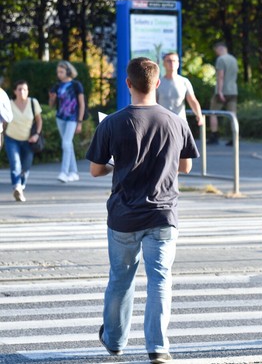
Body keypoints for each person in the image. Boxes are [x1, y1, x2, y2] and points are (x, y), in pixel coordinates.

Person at [87, 57, 199, 364]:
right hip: (163, 214)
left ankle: (114, 341)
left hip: (124, 215)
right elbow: (186, 165)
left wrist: (120, 163)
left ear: (128, 84)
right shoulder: (176, 122)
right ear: (158, 83)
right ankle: (158, 348)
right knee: (160, 280)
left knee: (120, 280)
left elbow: (96, 170)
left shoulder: (112, 122)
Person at [4, 81, 43, 202]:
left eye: (25, 89)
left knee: (26, 166)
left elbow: (39, 121)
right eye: (19, 89)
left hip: (28, 140)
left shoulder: (33, 102)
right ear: (15, 91)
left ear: (28, 91)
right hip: (11, 138)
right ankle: (17, 187)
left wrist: (36, 134)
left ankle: (21, 185)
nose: (22, 92)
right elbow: (4, 122)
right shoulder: (9, 104)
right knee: (15, 164)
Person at [49, 60, 86, 183]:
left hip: (72, 118)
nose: (59, 74)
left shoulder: (76, 85)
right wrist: (52, 98)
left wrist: (79, 122)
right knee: (68, 145)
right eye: (58, 72)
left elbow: (81, 104)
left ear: (68, 71)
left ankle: (64, 172)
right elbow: (51, 106)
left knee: (65, 144)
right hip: (60, 118)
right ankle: (74, 172)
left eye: (61, 71)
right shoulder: (57, 86)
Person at [156, 52, 204, 126]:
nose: (172, 63)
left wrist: (199, 115)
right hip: (163, 123)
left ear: (178, 63)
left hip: (180, 122)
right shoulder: (158, 82)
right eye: (169, 61)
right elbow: (154, 102)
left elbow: (192, 100)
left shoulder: (184, 82)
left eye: (174, 61)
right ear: (163, 64)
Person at [208, 42, 238, 145]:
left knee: (213, 113)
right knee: (232, 115)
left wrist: (219, 91)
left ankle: (214, 135)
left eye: (216, 51)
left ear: (219, 49)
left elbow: (220, 76)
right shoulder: (233, 59)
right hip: (233, 90)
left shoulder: (221, 60)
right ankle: (235, 137)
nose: (216, 53)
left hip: (223, 91)